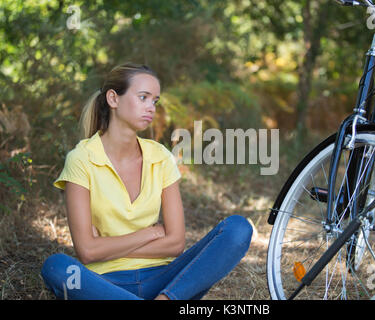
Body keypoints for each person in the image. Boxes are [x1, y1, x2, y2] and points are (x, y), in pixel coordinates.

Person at [40, 62, 253, 300]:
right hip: (104, 284)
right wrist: (150, 233)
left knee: (238, 228)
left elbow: (175, 244)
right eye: (143, 97)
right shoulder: (81, 159)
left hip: (167, 281)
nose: (151, 107)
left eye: (155, 101)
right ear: (113, 99)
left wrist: (107, 246)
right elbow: (88, 251)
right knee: (57, 266)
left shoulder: (160, 156)